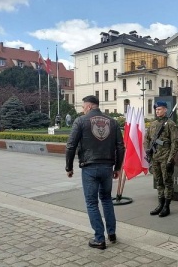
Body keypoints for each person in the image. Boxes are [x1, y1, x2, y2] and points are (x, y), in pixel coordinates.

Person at [65, 95, 125, 250]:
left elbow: (71, 145)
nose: (83, 109)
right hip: (107, 167)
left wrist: (69, 167)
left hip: (89, 167)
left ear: (90, 106)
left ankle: (99, 238)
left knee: (92, 202)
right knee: (106, 199)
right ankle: (112, 234)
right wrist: (117, 168)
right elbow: (120, 147)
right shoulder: (112, 121)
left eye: (84, 106)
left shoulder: (81, 121)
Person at [144, 101, 178, 217]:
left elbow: (175, 142)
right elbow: (147, 139)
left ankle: (166, 207)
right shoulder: (153, 124)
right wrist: (148, 150)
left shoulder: (170, 124)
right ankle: (160, 204)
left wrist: (171, 159)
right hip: (155, 157)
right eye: (156, 109)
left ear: (165, 110)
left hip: (165, 157)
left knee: (167, 182)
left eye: (159, 109)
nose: (157, 111)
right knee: (158, 182)